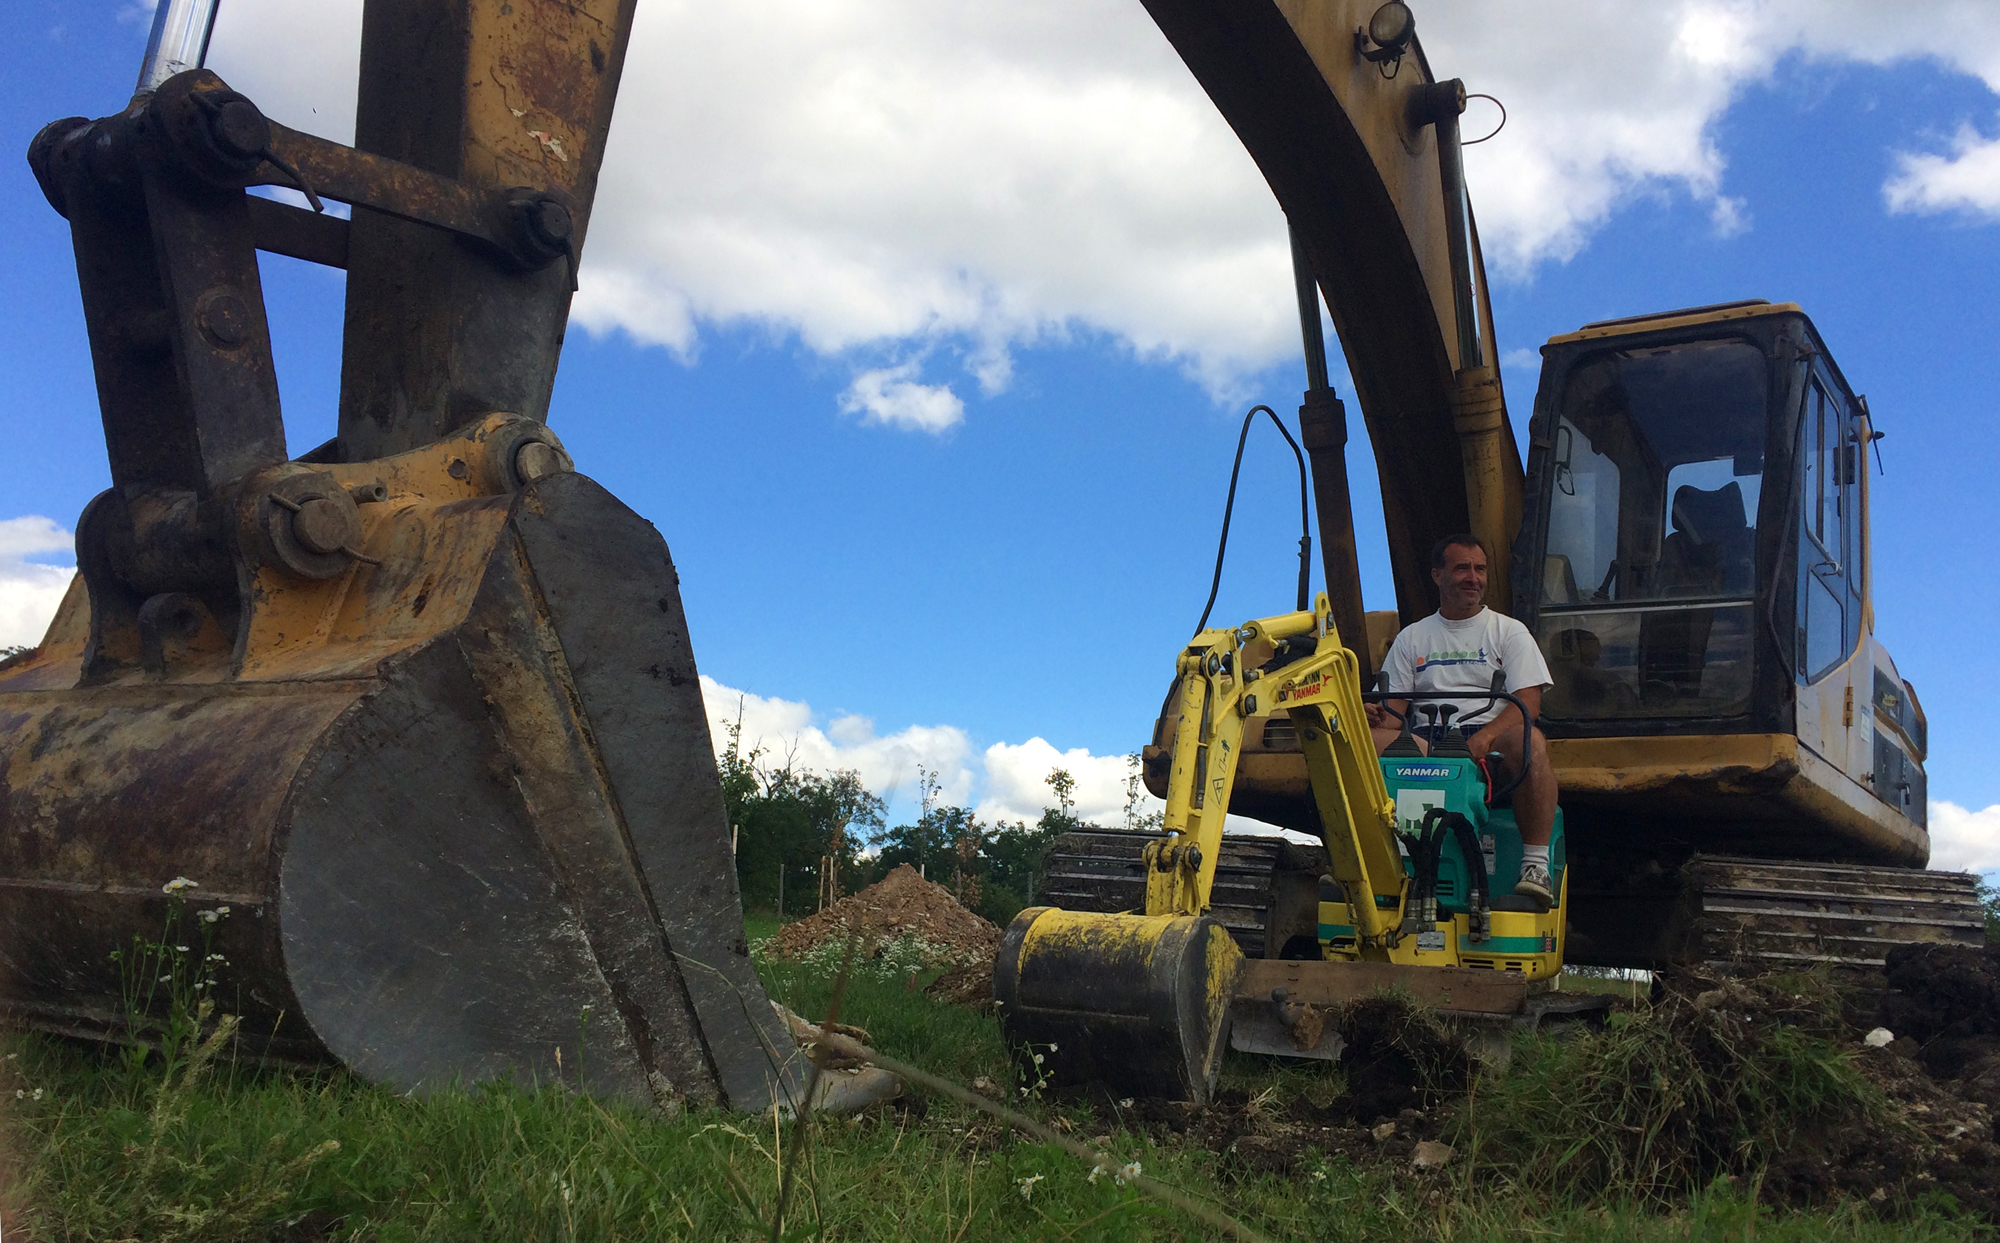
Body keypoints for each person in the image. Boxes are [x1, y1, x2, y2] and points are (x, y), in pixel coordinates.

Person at [1365, 535, 1560, 908]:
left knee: (1531, 741)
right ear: (1437, 576)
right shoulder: (1412, 638)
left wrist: (1485, 738)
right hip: (1425, 738)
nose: (1473, 577)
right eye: (1462, 568)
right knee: (1358, 745)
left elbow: (1528, 703)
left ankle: (1535, 865)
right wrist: (1373, 715)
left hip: (1490, 735)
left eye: (1480, 569)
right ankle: (1369, 864)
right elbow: (1393, 713)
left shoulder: (1509, 631)